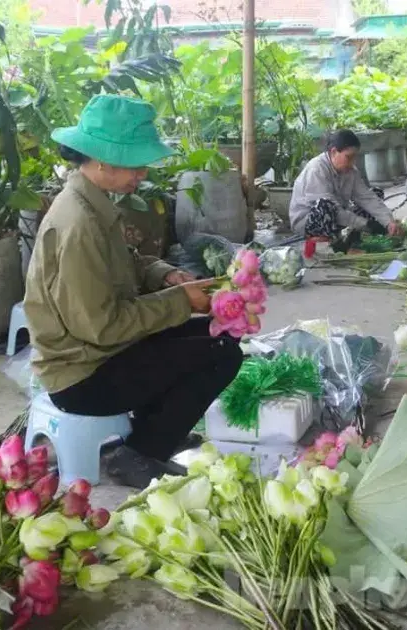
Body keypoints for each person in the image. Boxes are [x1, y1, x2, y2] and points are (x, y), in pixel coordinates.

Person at [23, 94, 244, 488]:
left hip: (100, 354)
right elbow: (103, 327)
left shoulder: (91, 204)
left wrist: (167, 277)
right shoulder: (79, 223)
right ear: (103, 158)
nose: (142, 173)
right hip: (82, 376)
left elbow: (128, 263)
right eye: (136, 164)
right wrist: (180, 302)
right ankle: (141, 453)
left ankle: (156, 429)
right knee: (220, 353)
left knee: (213, 332)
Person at [289, 130, 402, 252]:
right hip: (308, 221)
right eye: (349, 157)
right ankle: (323, 241)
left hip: (338, 216)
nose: (352, 162)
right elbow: (334, 209)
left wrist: (388, 221)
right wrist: (366, 224)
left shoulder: (350, 170)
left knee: (376, 193)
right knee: (326, 205)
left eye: (355, 157)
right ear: (333, 152)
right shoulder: (316, 169)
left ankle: (346, 236)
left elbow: (367, 197)